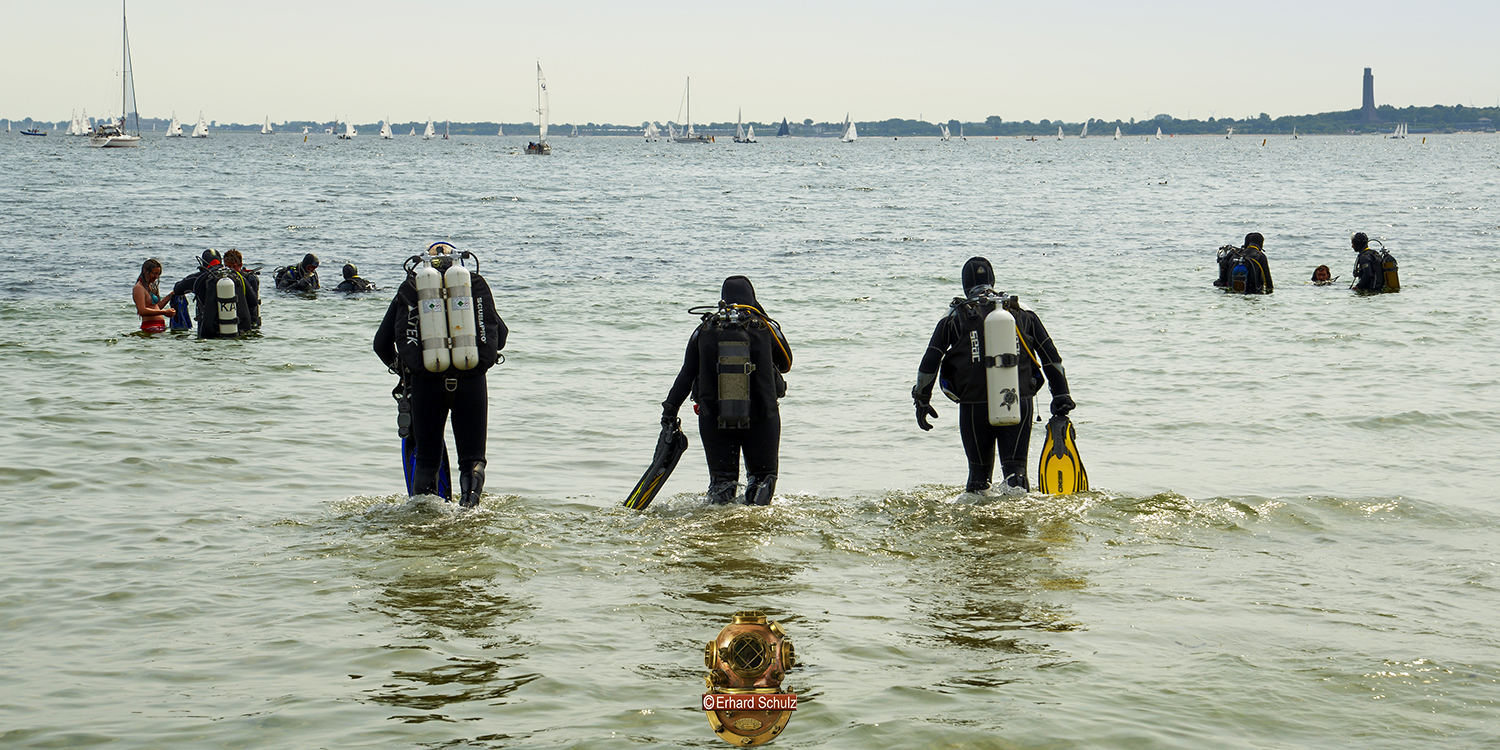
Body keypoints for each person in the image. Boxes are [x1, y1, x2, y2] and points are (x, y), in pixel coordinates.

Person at [912, 257, 1075, 494]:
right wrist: (1062, 397)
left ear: (965, 284)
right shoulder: (1021, 312)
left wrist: (922, 400)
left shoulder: (955, 315)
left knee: (978, 477)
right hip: (1018, 399)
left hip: (974, 402)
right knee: (1016, 471)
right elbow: (1052, 358)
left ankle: (981, 527)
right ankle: (1019, 523)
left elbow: (930, 361)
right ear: (992, 280)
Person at [373, 242, 506, 508]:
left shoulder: (415, 291)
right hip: (471, 382)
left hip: (425, 384)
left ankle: (426, 518)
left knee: (427, 459)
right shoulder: (469, 290)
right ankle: (470, 512)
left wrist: (405, 372)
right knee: (472, 460)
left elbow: (381, 344)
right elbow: (499, 336)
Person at [661, 276, 793, 506]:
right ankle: (753, 523)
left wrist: (669, 411)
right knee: (763, 477)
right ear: (752, 297)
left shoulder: (704, 329)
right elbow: (786, 364)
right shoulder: (765, 327)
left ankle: (720, 526)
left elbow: (686, 375)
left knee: (722, 481)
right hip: (762, 416)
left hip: (713, 417)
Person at [171, 249, 255, 339]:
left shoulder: (199, 277)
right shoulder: (236, 276)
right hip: (235, 328)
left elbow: (178, 289)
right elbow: (253, 302)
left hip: (208, 332)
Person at [132, 258, 176, 333]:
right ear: (145, 272)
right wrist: (164, 312)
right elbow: (142, 311)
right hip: (150, 327)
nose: (156, 277)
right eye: (154, 273)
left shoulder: (149, 286)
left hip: (158, 327)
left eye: (158, 274)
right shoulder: (139, 288)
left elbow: (156, 308)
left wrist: (171, 295)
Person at [223, 249, 261, 329]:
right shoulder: (224, 281)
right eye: (227, 267)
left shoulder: (250, 279)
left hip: (250, 322)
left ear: (240, 265)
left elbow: (253, 302)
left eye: (233, 266)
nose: (230, 270)